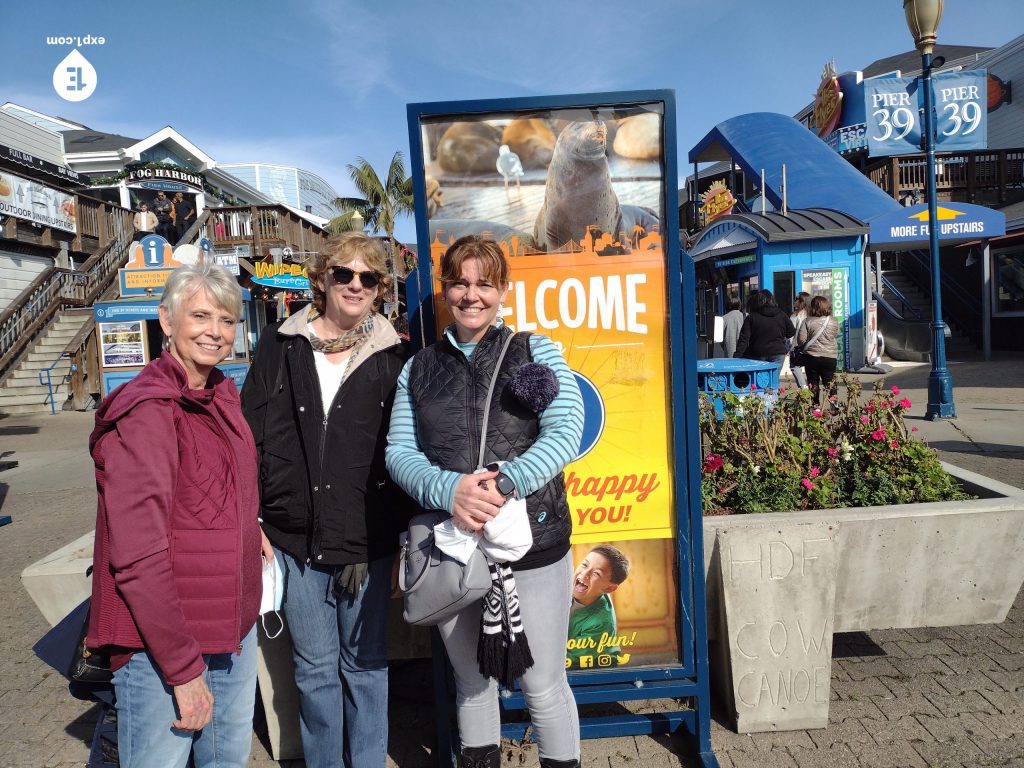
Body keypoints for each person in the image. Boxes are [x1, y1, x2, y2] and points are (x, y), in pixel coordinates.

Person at [387, 235, 585, 768]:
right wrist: (448, 491)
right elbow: (400, 452)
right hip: (455, 548)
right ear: (445, 288)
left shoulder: (534, 350)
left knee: (542, 684)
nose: (471, 295)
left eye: (485, 283)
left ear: (503, 290)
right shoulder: (418, 369)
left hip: (533, 546)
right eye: (460, 282)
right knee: (471, 683)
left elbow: (567, 429)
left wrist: (505, 482)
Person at [87, 262, 270, 768]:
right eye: (201, 316)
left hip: (229, 628)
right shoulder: (147, 410)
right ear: (167, 321)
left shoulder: (219, 395)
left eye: (227, 320)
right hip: (162, 646)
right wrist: (184, 670)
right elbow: (138, 555)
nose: (215, 331)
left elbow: (218, 489)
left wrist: (245, 529)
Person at [241, 232, 410, 768]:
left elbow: (409, 447)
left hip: (367, 539)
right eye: (344, 274)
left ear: (380, 288)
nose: (355, 285)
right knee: (314, 670)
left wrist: (406, 533)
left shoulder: (396, 353)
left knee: (365, 666)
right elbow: (251, 434)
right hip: (295, 536)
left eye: (369, 277)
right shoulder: (281, 343)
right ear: (322, 279)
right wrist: (255, 519)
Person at [567, 545, 630, 669]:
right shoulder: (578, 587)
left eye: (596, 573)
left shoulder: (601, 622)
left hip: (591, 668)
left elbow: (571, 660)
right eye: (584, 565)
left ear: (609, 588)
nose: (584, 574)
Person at [797, 295, 840, 404]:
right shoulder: (833, 321)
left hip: (811, 356)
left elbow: (801, 340)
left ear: (812, 307)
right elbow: (836, 334)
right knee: (830, 381)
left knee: (813, 382)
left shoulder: (807, 321)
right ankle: (834, 405)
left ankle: (815, 406)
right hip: (830, 356)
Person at [734, 289, 795, 366]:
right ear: (772, 299)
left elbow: (744, 338)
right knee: (774, 377)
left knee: (759, 377)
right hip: (778, 352)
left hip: (757, 353)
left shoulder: (751, 317)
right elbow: (791, 332)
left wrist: (738, 355)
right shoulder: (782, 315)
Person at [788, 292, 811, 389]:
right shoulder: (812, 314)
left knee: (794, 366)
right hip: (811, 345)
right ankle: (811, 388)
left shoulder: (796, 316)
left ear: (801, 302)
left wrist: (789, 347)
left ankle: (803, 387)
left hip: (797, 345)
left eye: (797, 298)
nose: (795, 300)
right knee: (810, 368)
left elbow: (791, 333)